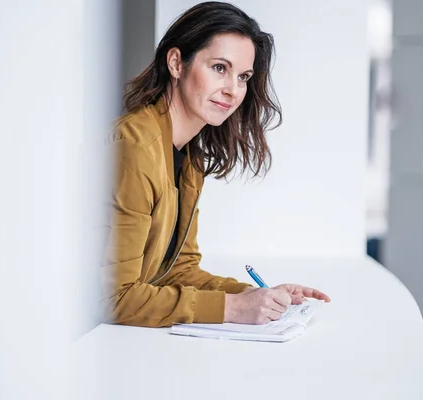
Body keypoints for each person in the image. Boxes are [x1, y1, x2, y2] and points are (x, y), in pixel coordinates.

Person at [101, 1, 330, 328]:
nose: (233, 90)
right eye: (219, 68)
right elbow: (115, 298)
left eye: (243, 76)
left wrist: (256, 297)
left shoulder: (189, 155)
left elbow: (177, 271)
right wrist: (233, 309)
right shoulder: (136, 148)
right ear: (177, 63)